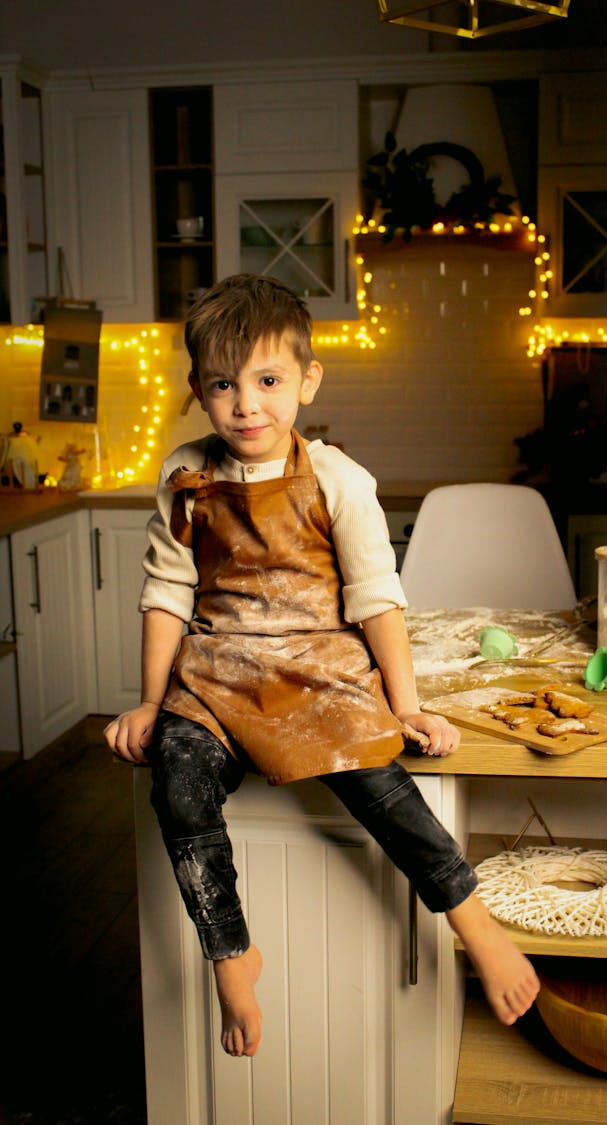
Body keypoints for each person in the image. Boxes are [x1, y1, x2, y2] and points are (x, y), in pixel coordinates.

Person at [104, 274, 539, 1059]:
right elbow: (167, 591)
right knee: (177, 775)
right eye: (224, 384)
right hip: (216, 680)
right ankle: (230, 952)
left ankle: (473, 919)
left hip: (321, 674)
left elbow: (377, 597)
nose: (247, 404)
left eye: (268, 381)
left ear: (307, 379)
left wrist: (403, 706)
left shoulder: (337, 477)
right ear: (198, 388)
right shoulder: (185, 476)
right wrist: (147, 702)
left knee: (380, 779)